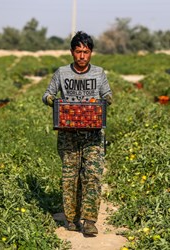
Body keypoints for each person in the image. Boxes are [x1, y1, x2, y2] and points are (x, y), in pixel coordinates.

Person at [42, 31, 112, 236]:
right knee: (70, 177)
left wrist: (104, 101)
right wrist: (55, 104)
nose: (82, 56)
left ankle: (89, 220)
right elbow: (47, 94)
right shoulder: (62, 73)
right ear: (72, 52)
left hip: (93, 134)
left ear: (91, 53)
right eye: (78, 51)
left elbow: (107, 95)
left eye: (86, 52)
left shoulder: (99, 73)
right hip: (68, 133)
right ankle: (72, 219)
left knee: (92, 175)